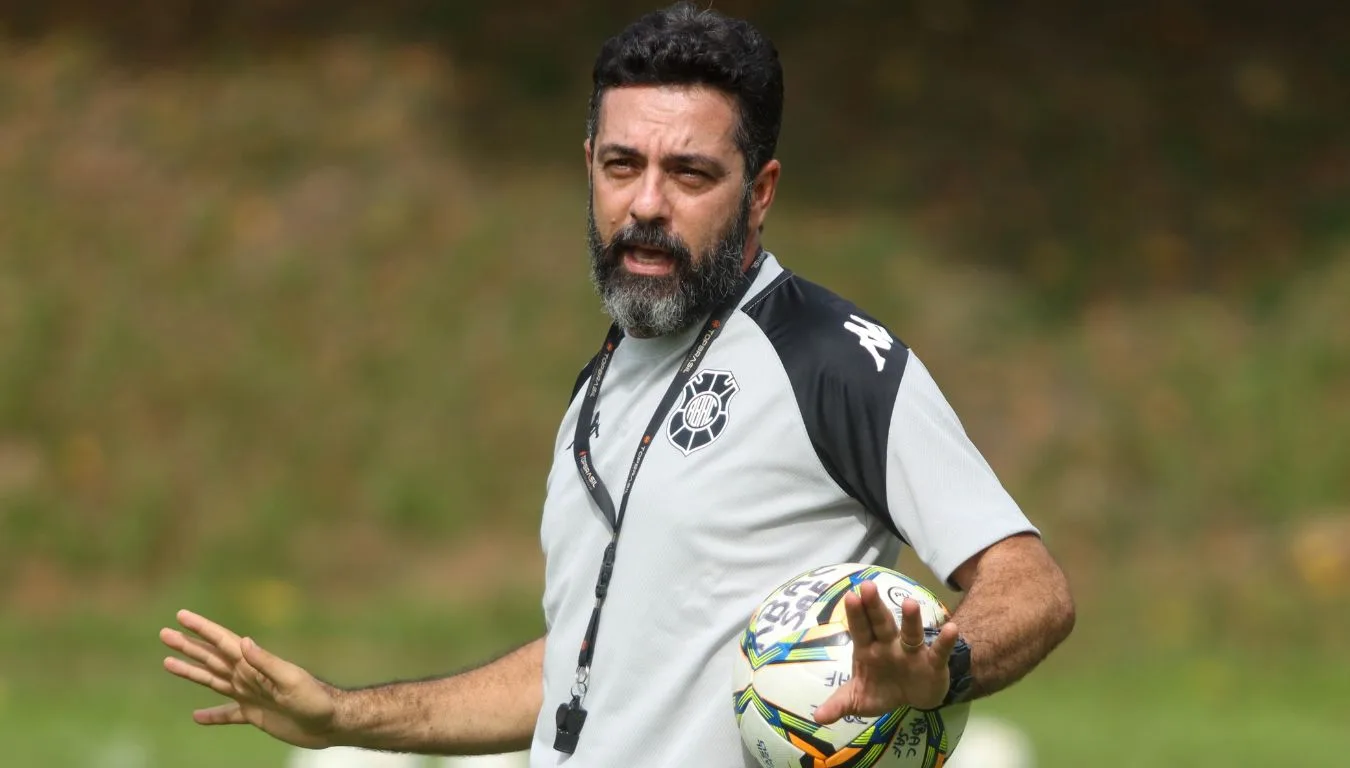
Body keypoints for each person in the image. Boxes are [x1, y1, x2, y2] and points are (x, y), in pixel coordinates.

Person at [159, 3, 1076, 765]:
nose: (645, 204)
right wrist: (344, 717)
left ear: (759, 193)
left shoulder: (829, 359)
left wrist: (940, 670)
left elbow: (1029, 586)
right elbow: (590, 669)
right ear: (588, 166)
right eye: (622, 165)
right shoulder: (602, 380)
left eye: (689, 174)